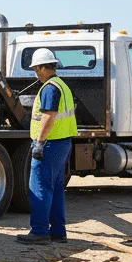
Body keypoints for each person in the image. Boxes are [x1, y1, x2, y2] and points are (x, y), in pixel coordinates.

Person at [17, 48, 78, 244]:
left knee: (39, 187)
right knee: (56, 189)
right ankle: (58, 232)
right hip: (62, 143)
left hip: (50, 144)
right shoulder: (62, 85)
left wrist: (39, 142)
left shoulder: (50, 88)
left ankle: (40, 231)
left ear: (44, 67)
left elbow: (48, 116)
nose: (35, 73)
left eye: (36, 69)